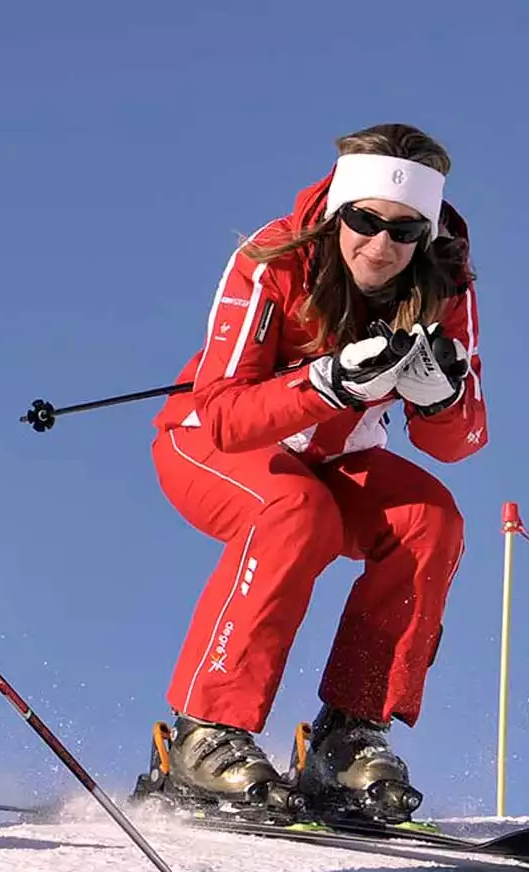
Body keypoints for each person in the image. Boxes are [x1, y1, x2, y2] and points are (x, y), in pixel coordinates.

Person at [141, 123, 485, 825]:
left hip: (332, 456)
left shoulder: (445, 282)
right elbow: (225, 415)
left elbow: (457, 443)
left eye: (405, 230)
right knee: (294, 512)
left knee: (431, 519)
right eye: (365, 221)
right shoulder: (273, 260)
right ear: (339, 213)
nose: (381, 246)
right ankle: (205, 733)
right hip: (210, 444)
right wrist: (325, 382)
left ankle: (349, 736)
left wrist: (442, 398)